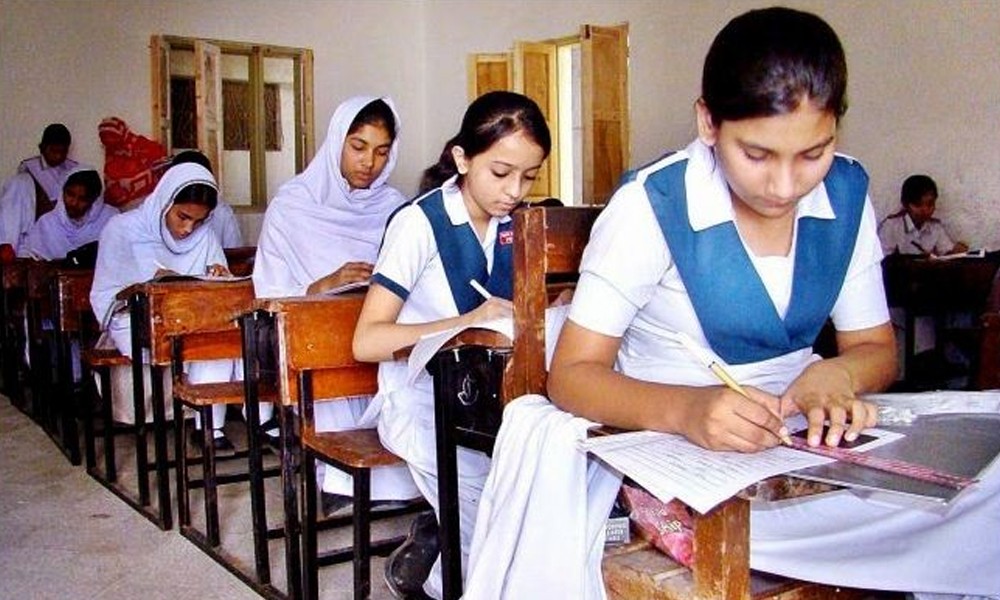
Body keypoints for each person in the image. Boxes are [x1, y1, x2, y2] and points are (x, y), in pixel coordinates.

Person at [545, 7, 999, 598]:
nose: (786, 187)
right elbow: (572, 376)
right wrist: (687, 411)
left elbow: (874, 349)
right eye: (757, 155)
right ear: (708, 122)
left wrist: (834, 375)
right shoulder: (653, 206)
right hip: (681, 463)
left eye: (814, 153)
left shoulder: (845, 195)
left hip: (804, 449)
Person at [351, 90, 551, 599]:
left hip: (492, 401)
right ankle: (438, 576)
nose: (514, 191)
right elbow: (367, 340)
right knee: (492, 514)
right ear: (462, 159)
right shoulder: (419, 224)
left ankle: (437, 553)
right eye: (500, 173)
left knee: (549, 491)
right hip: (420, 399)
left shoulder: (517, 224)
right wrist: (464, 322)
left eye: (529, 177)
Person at [253, 96, 417, 516]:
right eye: (358, 147)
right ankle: (336, 479)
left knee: (409, 374)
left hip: (377, 333)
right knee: (327, 360)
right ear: (336, 142)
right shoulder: (293, 205)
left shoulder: (394, 208)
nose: (369, 162)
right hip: (313, 339)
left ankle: (391, 479)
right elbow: (268, 292)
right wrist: (324, 285)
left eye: (382, 151)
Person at [90, 163, 238, 451]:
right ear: (165, 201)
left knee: (216, 339)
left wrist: (220, 276)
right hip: (134, 316)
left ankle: (209, 425)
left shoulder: (205, 236)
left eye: (198, 221)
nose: (188, 229)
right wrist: (153, 284)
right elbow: (110, 291)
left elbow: (218, 292)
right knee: (171, 335)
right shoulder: (122, 229)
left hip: (190, 316)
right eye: (182, 217)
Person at [0, 124, 79, 259]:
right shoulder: (29, 170)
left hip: (62, 234)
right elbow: (14, 210)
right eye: (53, 151)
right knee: (19, 183)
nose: (58, 156)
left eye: (62, 152)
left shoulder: (74, 169)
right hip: (33, 232)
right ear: (42, 147)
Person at [23, 167, 117, 261]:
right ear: (62, 192)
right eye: (70, 194)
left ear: (94, 200)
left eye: (82, 199)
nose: (74, 203)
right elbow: (32, 259)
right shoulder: (47, 224)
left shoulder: (109, 219)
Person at [878, 174, 968, 256]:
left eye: (930, 204)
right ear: (906, 204)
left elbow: (947, 253)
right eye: (918, 204)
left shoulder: (935, 228)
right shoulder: (891, 227)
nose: (925, 210)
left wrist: (956, 252)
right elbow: (883, 259)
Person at [169, 150, 244, 248]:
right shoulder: (152, 217)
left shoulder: (221, 212)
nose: (189, 229)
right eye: (182, 217)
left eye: (200, 221)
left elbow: (234, 252)